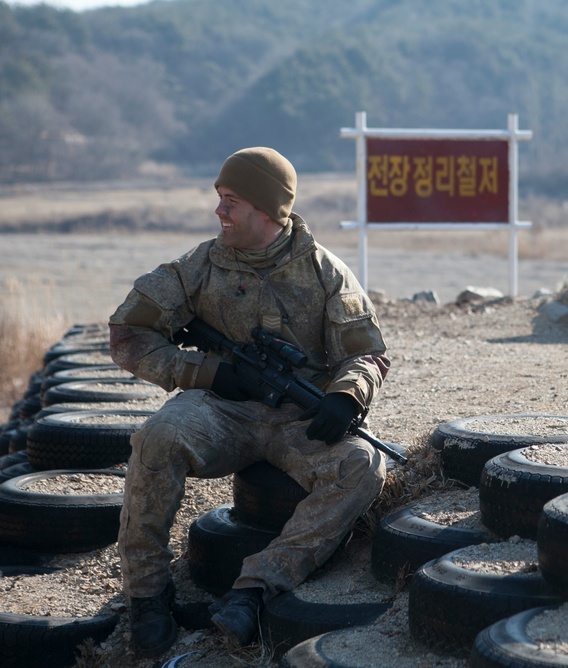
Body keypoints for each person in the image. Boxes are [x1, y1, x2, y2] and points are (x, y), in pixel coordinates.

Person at [108, 147, 390, 658]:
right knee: (156, 438)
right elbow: (128, 331)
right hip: (221, 408)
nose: (219, 211)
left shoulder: (327, 273)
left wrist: (346, 396)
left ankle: (253, 590)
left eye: (230, 201)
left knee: (362, 465)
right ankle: (147, 596)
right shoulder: (200, 264)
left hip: (295, 418)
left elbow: (367, 355)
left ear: (266, 209)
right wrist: (204, 371)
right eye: (219, 198)